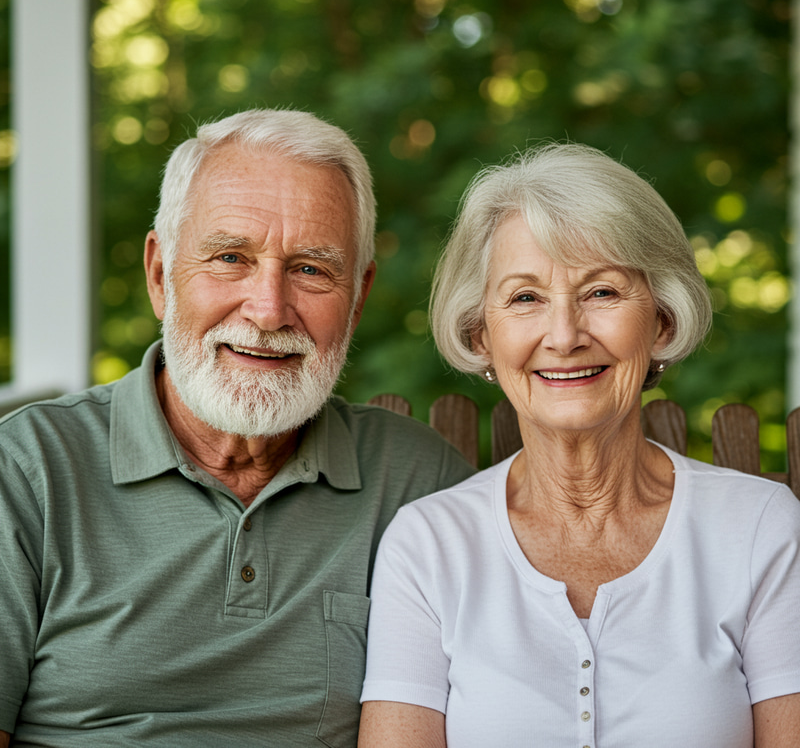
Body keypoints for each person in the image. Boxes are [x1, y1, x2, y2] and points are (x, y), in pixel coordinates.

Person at [0, 108, 476, 747]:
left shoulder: (418, 485)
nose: (269, 309)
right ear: (161, 275)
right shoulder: (27, 474)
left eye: (310, 269)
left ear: (358, 297)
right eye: (230, 257)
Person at [359, 143, 800, 747]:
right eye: (524, 298)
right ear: (480, 334)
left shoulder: (758, 529)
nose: (563, 336)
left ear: (663, 319)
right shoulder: (430, 546)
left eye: (602, 292)